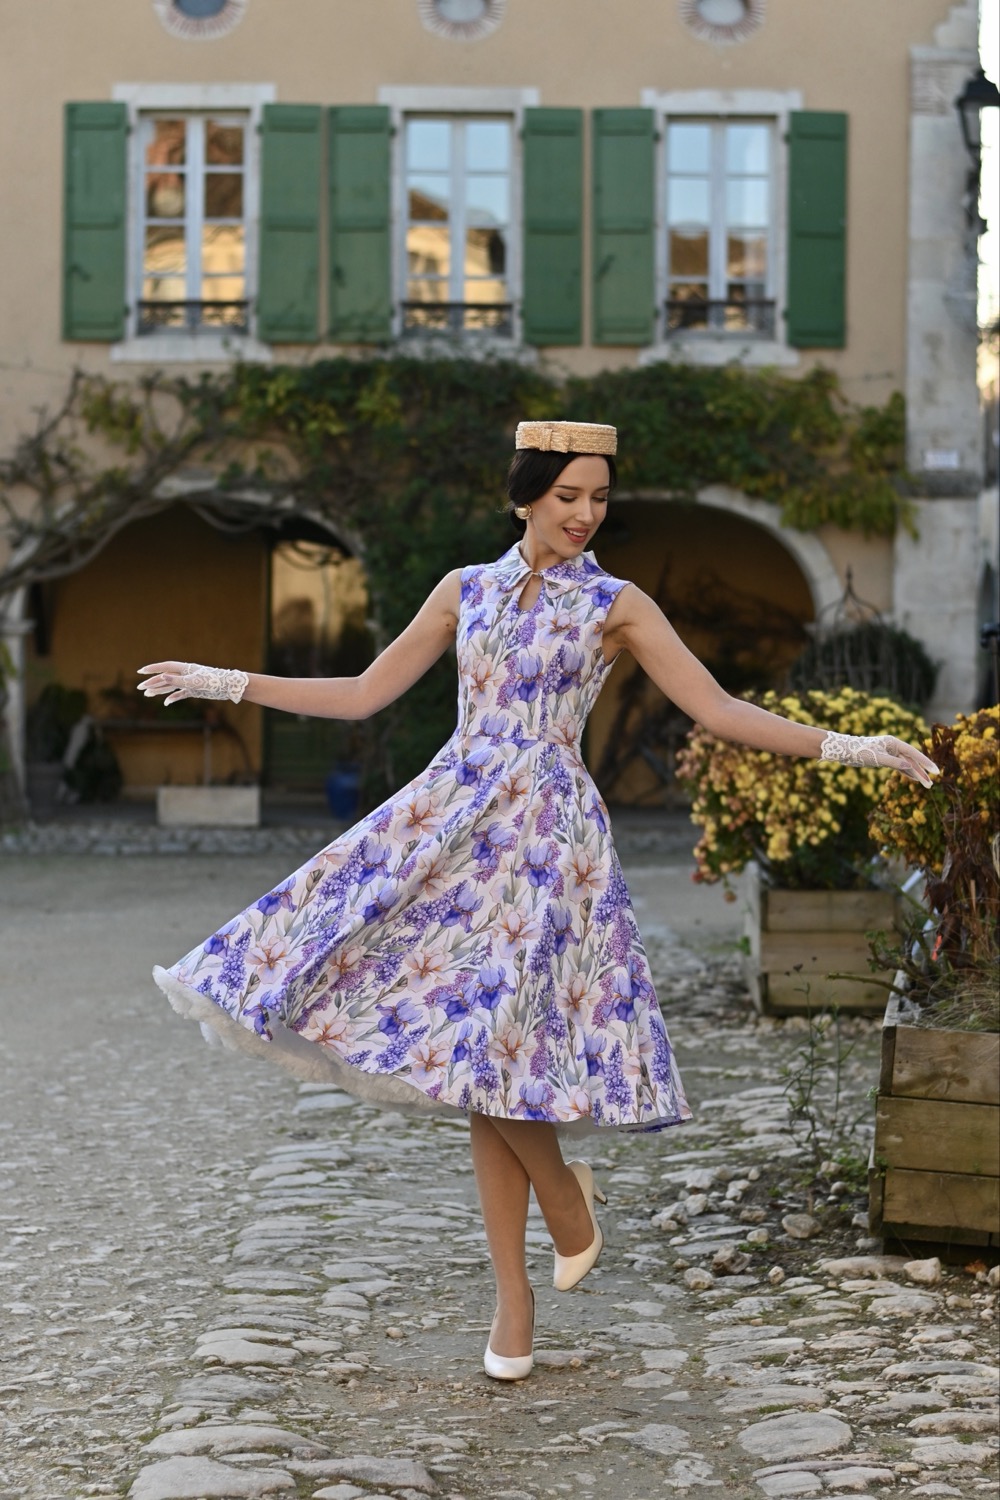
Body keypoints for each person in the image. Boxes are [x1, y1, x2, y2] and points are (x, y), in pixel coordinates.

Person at [138, 419, 938, 1382]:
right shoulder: (463, 590)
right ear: (526, 497)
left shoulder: (617, 604)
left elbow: (719, 710)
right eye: (568, 499)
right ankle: (543, 1237)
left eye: (599, 500)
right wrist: (224, 680)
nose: (586, 516)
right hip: (450, 821)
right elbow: (361, 692)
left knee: (496, 1052)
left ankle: (533, 1265)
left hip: (548, 841)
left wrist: (852, 747)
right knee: (472, 1051)